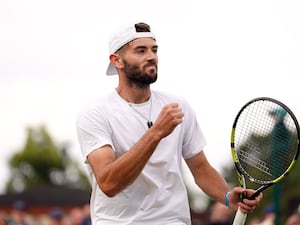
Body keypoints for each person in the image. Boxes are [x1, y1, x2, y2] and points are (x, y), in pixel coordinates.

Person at [76, 22, 263, 225]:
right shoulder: (95, 114)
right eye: (141, 50)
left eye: (154, 50)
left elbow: (201, 169)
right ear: (117, 60)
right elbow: (109, 183)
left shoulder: (177, 105)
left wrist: (227, 197)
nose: (151, 56)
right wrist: (156, 132)